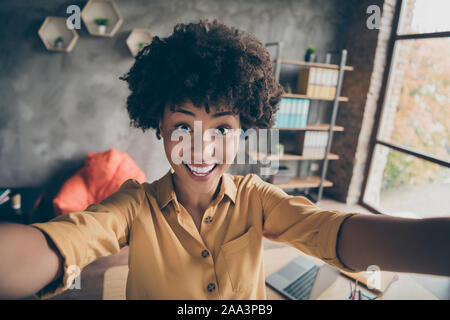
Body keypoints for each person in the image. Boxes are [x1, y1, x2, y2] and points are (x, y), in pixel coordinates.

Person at [0, 19, 448, 300]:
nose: (201, 148)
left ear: (242, 131)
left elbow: (332, 232)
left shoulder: (258, 199)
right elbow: (59, 245)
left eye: (221, 129)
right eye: (182, 126)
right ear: (158, 124)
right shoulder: (132, 207)